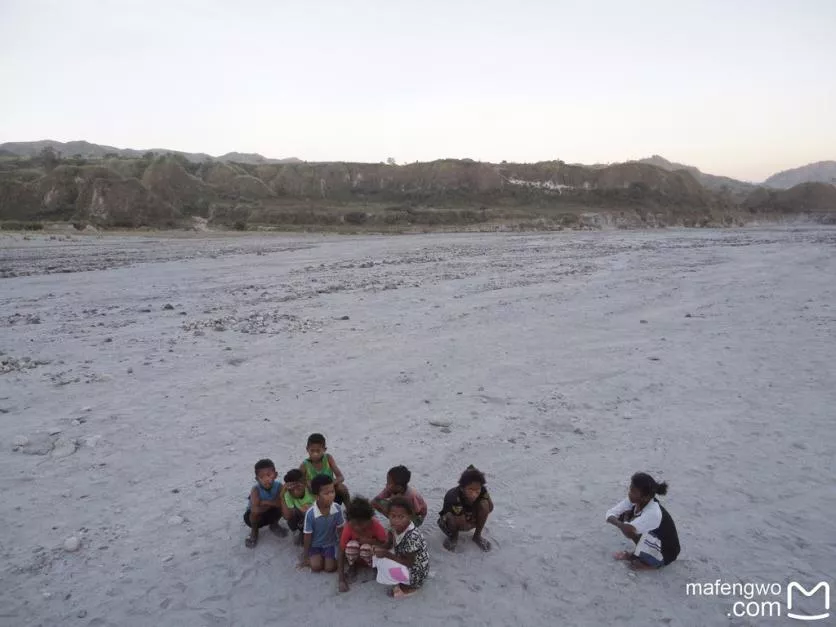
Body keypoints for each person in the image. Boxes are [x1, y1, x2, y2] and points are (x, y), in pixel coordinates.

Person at [605, 472, 681, 569]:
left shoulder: (653, 512)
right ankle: (639, 553)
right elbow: (609, 514)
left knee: (630, 527)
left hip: (666, 551)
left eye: (633, 491)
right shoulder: (635, 500)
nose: (629, 493)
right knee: (626, 519)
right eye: (630, 489)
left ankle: (653, 564)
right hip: (653, 536)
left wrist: (624, 523)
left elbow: (628, 531)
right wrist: (622, 524)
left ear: (645, 497)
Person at [372, 496, 430, 598]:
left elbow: (410, 563)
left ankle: (409, 587)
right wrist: (376, 547)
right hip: (403, 558)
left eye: (401, 517)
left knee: (386, 562)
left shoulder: (412, 536)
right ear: (388, 515)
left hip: (416, 572)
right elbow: (388, 545)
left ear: (409, 516)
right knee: (377, 556)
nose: (396, 521)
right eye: (393, 516)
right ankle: (396, 578)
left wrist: (386, 554)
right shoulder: (394, 528)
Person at [337, 497, 389, 593]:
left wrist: (370, 541)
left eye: (361, 524)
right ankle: (353, 566)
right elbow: (341, 550)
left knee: (366, 547)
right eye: (354, 524)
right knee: (350, 546)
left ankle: (375, 567)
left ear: (370, 519)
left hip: (371, 556)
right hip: (355, 557)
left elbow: (386, 544)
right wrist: (341, 580)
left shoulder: (376, 526)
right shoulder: (348, 527)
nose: (357, 527)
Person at [438, 465, 494, 552]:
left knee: (484, 505)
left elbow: (490, 507)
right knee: (451, 517)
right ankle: (453, 538)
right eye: (470, 490)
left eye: (477, 490)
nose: (474, 494)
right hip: (451, 520)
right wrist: (474, 519)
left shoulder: (482, 491)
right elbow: (462, 523)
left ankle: (477, 536)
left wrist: (479, 512)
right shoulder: (454, 497)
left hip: (468, 517)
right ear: (462, 488)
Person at [300, 473, 344, 573]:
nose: (331, 496)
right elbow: (307, 536)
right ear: (316, 496)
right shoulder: (310, 514)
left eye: (332, 492)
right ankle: (317, 557)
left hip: (330, 543)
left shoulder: (337, 508)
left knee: (329, 568)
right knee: (316, 567)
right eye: (326, 493)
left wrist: (342, 550)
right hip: (315, 545)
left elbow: (341, 530)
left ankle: (329, 558)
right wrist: (306, 555)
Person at [243, 458, 288, 548]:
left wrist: (264, 502)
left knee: (283, 507)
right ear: (257, 479)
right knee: (254, 513)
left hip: (270, 511)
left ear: (275, 475)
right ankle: (254, 531)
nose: (266, 479)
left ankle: (274, 524)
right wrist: (273, 503)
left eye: (269, 475)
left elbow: (282, 503)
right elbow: (255, 509)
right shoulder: (255, 489)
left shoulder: (279, 486)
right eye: (262, 477)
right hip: (254, 516)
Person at [299, 433, 350, 506]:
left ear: (324, 449)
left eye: (318, 451)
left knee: (342, 488)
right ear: (307, 449)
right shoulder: (304, 465)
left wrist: (329, 485)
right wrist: (308, 484)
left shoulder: (328, 458)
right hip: (316, 496)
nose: (315, 454)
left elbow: (340, 477)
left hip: (330, 492)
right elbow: (300, 482)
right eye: (312, 451)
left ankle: (350, 511)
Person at [280, 468, 315, 544]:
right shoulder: (288, 494)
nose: (295, 490)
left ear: (304, 483)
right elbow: (287, 516)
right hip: (302, 518)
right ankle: (298, 531)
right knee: (292, 517)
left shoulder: (310, 489)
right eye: (292, 487)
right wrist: (282, 496)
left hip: (316, 516)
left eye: (299, 485)